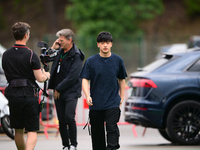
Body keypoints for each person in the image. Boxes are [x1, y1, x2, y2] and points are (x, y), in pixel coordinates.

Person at [2, 22, 50, 150]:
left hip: (13, 94)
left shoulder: (6, 54)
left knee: (18, 130)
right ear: (26, 35)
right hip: (29, 95)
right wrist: (47, 75)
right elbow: (39, 77)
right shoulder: (30, 54)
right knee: (32, 130)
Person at [80, 31, 127, 150]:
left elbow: (122, 79)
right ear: (98, 45)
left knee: (112, 128)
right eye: (102, 43)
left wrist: (121, 97)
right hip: (96, 103)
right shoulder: (91, 61)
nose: (105, 45)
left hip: (112, 102)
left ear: (111, 44)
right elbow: (85, 79)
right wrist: (87, 96)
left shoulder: (118, 60)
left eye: (107, 42)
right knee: (97, 133)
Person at [48, 29, 85, 150]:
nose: (59, 42)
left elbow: (73, 76)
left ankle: (73, 144)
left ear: (70, 40)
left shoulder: (77, 55)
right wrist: (53, 49)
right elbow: (45, 60)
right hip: (58, 92)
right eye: (58, 40)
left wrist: (58, 88)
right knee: (62, 120)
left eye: (61, 40)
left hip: (71, 92)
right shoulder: (58, 52)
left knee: (69, 117)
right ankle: (65, 145)